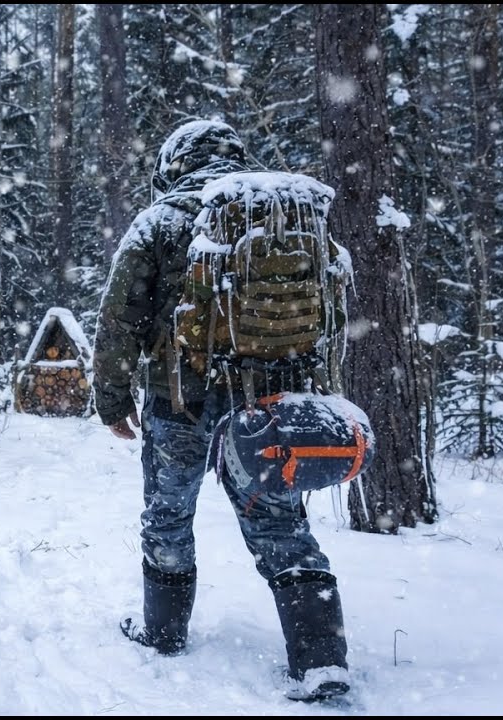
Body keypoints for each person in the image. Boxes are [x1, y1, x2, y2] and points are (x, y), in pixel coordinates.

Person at [92, 119, 351, 702]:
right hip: (267, 400)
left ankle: (163, 634)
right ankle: (319, 659)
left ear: (172, 163)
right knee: (281, 524)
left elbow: (118, 322)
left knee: (168, 515)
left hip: (177, 398)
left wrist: (111, 399)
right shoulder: (283, 215)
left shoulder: (160, 222)